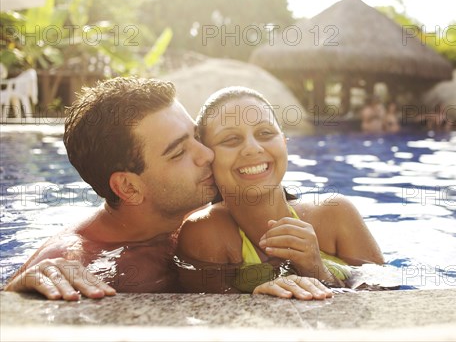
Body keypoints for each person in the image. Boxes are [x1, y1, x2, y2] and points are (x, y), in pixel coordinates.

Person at [3, 78, 329, 301]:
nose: (208, 154)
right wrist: (16, 294)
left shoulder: (202, 212)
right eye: (178, 153)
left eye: (196, 137)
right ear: (129, 187)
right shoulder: (77, 261)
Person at [176, 87, 384, 297]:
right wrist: (256, 298)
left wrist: (316, 269)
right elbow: (209, 313)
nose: (253, 148)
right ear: (208, 156)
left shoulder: (336, 214)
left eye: (265, 133)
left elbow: (385, 296)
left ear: (283, 143)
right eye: (231, 139)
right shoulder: (206, 232)